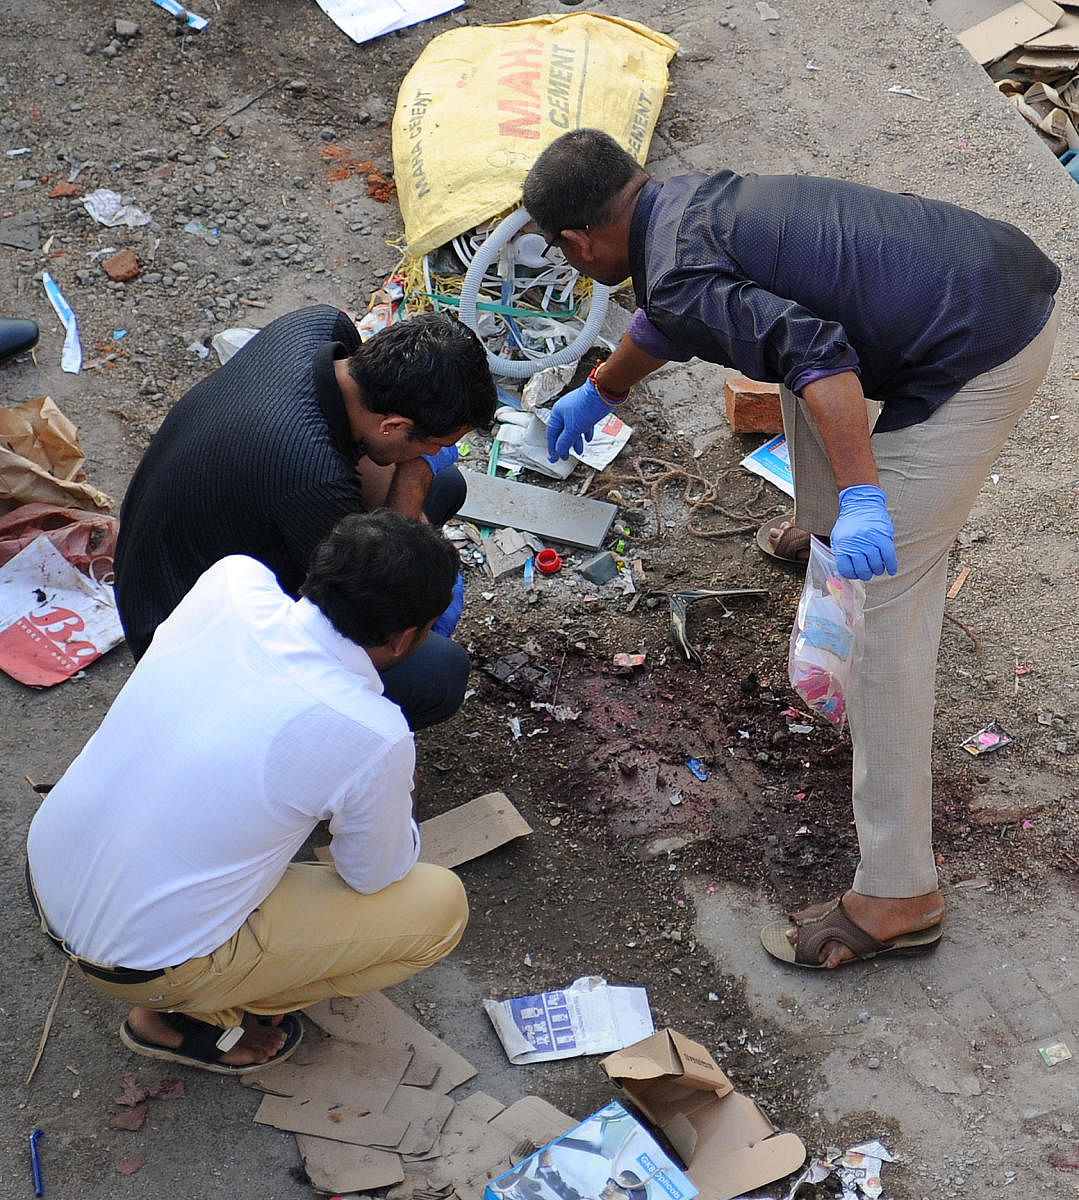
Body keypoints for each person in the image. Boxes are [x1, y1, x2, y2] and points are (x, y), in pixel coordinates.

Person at [523, 128, 1060, 969]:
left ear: (575, 243)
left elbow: (822, 361)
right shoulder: (684, 205)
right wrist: (601, 389)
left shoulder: (680, 268)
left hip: (983, 346)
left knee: (883, 607)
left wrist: (863, 502)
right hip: (986, 267)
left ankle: (896, 893)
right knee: (791, 353)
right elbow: (678, 317)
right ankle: (819, 525)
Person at [26, 510, 470, 1074]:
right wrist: (397, 798)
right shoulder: (374, 731)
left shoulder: (232, 581)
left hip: (46, 867)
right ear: (408, 635)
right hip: (140, 963)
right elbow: (374, 874)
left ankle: (185, 979)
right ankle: (191, 1012)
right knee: (438, 908)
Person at [113, 306, 497, 731]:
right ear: (392, 425)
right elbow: (389, 592)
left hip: (185, 551)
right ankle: (317, 740)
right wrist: (413, 482)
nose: (429, 452)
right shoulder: (310, 479)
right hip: (181, 637)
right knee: (437, 672)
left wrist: (417, 466)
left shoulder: (319, 326)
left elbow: (375, 466)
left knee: (443, 484)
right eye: (432, 442)